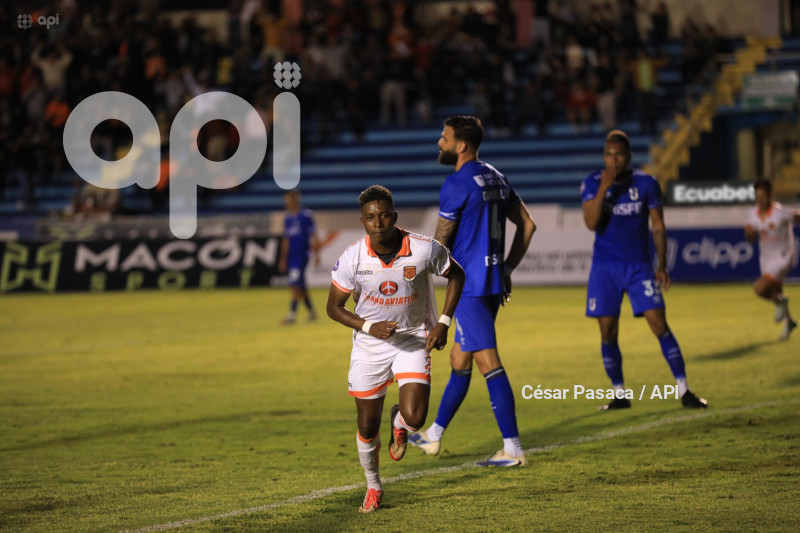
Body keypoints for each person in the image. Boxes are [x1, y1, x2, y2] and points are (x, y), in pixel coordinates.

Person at [326, 185, 465, 513]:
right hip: (369, 346)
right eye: (371, 217)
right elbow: (333, 307)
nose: (378, 222)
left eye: (384, 215)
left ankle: (400, 424)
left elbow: (457, 275)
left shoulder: (424, 249)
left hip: (412, 339)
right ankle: (373, 486)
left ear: (395, 216)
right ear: (362, 220)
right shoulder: (352, 257)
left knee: (416, 419)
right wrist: (368, 326)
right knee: (367, 426)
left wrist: (444, 322)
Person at [409, 116, 536, 467]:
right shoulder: (495, 176)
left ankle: (513, 449)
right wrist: (507, 268)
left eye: (444, 137)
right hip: (492, 282)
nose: (440, 143)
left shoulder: (457, 183)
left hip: (469, 287)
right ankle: (434, 435)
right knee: (460, 359)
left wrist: (414, 279)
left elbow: (440, 244)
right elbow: (527, 224)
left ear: (461, 145)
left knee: (487, 361)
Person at [582, 130, 707, 410]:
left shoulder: (647, 183)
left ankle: (685, 390)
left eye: (619, 155)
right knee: (607, 330)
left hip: (638, 266)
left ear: (628, 156)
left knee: (659, 323)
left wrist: (661, 264)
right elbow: (590, 223)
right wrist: (604, 189)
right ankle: (619, 394)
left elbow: (658, 226)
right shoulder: (592, 182)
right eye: (608, 155)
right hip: (604, 269)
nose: (613, 160)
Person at [745, 179, 800, 340]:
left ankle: (781, 302)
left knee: (760, 288)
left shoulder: (780, 213)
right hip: (766, 258)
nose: (760, 200)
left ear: (771, 195)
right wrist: (749, 234)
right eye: (757, 196)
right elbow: (750, 239)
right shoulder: (753, 214)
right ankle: (789, 322)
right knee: (774, 290)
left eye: (763, 196)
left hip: (784, 256)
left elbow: (797, 217)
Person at [278, 190, 319, 324]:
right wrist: (283, 257)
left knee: (293, 283)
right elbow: (286, 239)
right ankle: (312, 312)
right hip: (292, 256)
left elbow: (314, 235)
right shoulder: (287, 218)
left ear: (296, 199)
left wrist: (317, 254)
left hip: (302, 255)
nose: (288, 203)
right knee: (300, 285)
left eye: (290, 200)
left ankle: (292, 313)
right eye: (286, 201)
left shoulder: (305, 215)